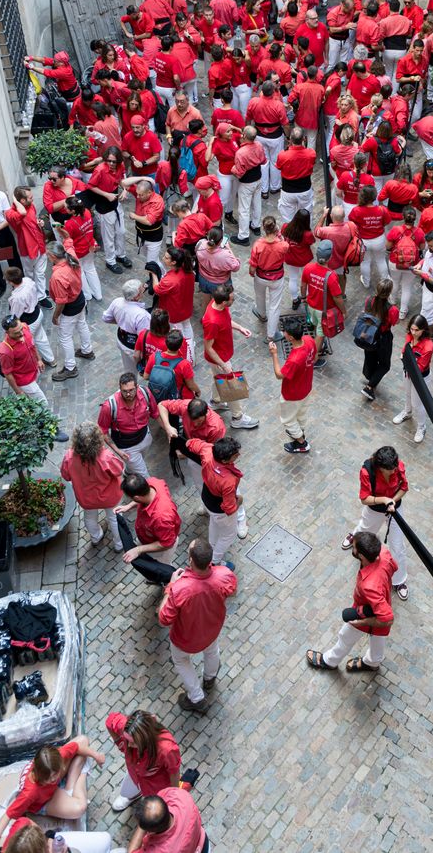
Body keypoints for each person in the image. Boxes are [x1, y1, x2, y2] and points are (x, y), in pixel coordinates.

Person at [158, 536, 237, 715]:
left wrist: (171, 586)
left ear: (191, 560)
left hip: (185, 639)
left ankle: (196, 698)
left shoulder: (180, 589)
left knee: (181, 661)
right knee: (212, 651)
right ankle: (209, 678)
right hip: (211, 630)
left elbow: (163, 619)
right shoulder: (224, 574)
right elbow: (232, 591)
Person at [0, 734, 105, 850]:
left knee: (83, 740)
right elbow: (7, 815)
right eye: (51, 778)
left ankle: (69, 787)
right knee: (79, 808)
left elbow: (78, 746)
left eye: (56, 773)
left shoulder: (53, 759)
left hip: (48, 785)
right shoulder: (30, 793)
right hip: (43, 802)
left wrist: (96, 756)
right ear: (41, 776)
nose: (55, 778)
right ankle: (80, 775)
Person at [306, 530, 397, 673]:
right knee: (378, 640)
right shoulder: (384, 553)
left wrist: (362, 622)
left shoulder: (369, 586)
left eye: (354, 547)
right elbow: (394, 567)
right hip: (382, 604)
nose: (352, 548)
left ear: (361, 555)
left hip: (367, 613)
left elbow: (387, 619)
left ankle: (329, 661)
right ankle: (372, 663)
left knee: (345, 636)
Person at [340, 446, 409, 599]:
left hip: (394, 509)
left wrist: (392, 501)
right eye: (390, 470)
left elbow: (404, 488)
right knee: (365, 530)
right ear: (380, 467)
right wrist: (384, 500)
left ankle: (399, 581)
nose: (394, 471)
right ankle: (355, 537)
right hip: (374, 508)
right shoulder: (367, 471)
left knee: (398, 545)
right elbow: (365, 498)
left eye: (394, 468)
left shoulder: (398, 466)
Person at [62, 421, 125, 551]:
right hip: (110, 496)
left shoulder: (69, 457)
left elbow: (66, 476)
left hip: (86, 498)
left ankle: (96, 537)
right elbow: (119, 470)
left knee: (89, 518)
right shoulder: (106, 457)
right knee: (114, 518)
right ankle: (119, 544)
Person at [202, 284, 258, 429]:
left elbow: (226, 321)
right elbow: (208, 347)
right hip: (219, 358)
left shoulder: (218, 305)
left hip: (223, 354)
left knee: (219, 379)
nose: (234, 300)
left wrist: (240, 328)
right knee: (231, 386)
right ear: (223, 302)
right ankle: (237, 417)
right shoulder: (212, 322)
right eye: (232, 299)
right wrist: (223, 364)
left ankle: (215, 402)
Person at [106, 710, 181, 813]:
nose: (129, 745)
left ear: (145, 738)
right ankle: (134, 795)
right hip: (135, 773)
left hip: (156, 784)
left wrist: (174, 797)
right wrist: (120, 744)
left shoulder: (166, 750)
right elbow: (110, 722)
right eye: (127, 741)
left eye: (133, 742)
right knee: (125, 792)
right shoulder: (128, 729)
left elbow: (174, 773)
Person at [267, 314, 316, 453]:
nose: (283, 333)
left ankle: (301, 442)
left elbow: (279, 375)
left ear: (290, 337)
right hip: (306, 387)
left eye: (285, 332)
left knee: (287, 420)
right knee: (301, 413)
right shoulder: (309, 340)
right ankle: (300, 431)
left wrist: (274, 354)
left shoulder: (294, 359)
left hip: (292, 394)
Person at [47, 243, 93, 381]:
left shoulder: (57, 276)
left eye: (48, 254)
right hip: (80, 299)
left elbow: (61, 301)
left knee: (65, 337)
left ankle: (70, 368)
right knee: (82, 324)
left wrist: (55, 316)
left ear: (53, 256)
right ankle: (87, 351)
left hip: (70, 308)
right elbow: (68, 240)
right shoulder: (71, 256)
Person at [98, 372, 160, 476]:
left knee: (136, 463)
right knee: (145, 477)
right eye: (124, 391)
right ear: (120, 389)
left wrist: (168, 429)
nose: (128, 394)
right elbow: (102, 431)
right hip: (127, 447)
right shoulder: (109, 406)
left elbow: (155, 413)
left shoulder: (145, 393)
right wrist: (117, 451)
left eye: (131, 390)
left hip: (145, 437)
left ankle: (128, 471)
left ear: (137, 387)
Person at [200, 435, 248, 564]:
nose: (238, 455)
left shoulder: (208, 452)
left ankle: (211, 547)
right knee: (228, 535)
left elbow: (193, 444)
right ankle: (214, 560)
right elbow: (229, 508)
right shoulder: (228, 481)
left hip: (207, 497)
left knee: (214, 523)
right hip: (219, 509)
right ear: (225, 460)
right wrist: (239, 501)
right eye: (235, 455)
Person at [117, 472, 181, 565]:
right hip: (151, 538)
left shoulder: (161, 518)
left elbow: (166, 543)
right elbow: (142, 497)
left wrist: (138, 550)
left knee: (159, 570)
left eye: (132, 498)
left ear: (137, 498)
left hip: (160, 552)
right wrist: (129, 506)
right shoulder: (153, 482)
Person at [300, 240, 345, 364]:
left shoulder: (308, 268)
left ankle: (317, 342)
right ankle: (313, 358)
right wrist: (343, 311)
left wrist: (303, 297)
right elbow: (337, 298)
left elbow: (303, 286)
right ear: (330, 257)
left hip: (311, 305)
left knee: (316, 325)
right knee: (321, 333)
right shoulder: (331, 276)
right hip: (324, 310)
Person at [394, 313, 433, 444]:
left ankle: (422, 426)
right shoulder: (410, 336)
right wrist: (405, 355)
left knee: (418, 404)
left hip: (420, 378)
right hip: (407, 372)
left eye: (417, 330)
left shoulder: (428, 346)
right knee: (407, 395)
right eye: (412, 329)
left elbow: (420, 368)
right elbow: (404, 350)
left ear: (423, 330)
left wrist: (407, 357)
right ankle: (407, 412)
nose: (413, 332)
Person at [6, 186, 50, 301]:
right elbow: (22, 213)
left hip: (40, 244)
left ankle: (41, 294)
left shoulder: (31, 206)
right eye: (30, 197)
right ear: (22, 200)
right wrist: (14, 200)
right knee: (29, 274)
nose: (33, 199)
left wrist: (39, 222)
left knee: (40, 273)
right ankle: (33, 294)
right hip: (28, 248)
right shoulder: (10, 213)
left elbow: (32, 220)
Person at [130, 788, 208, 853]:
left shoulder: (159, 850)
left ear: (149, 830)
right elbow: (162, 795)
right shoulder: (178, 795)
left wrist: (142, 823)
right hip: (202, 841)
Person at [0, 313, 50, 406]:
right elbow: (7, 374)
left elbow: (32, 345)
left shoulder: (24, 326)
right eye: (16, 333)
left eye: (21, 329)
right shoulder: (5, 351)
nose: (21, 333)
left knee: (32, 401)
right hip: (25, 381)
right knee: (44, 404)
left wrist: (39, 359)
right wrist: (19, 392)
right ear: (7, 333)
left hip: (34, 370)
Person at [249, 215, 288, 341]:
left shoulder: (258, 245)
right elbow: (286, 248)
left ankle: (261, 314)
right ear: (275, 227)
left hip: (260, 276)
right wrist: (279, 235)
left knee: (260, 296)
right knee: (274, 306)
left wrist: (252, 273)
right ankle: (271, 335)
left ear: (264, 228)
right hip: (276, 278)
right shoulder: (283, 245)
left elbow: (252, 267)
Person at [102, 279, 151, 373]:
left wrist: (120, 322)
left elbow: (106, 318)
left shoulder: (117, 302)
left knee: (129, 370)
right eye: (142, 290)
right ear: (137, 296)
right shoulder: (142, 315)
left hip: (121, 340)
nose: (144, 290)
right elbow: (144, 338)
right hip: (133, 348)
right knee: (141, 369)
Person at [385, 204, 425, 319]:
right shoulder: (419, 232)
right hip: (412, 264)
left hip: (395, 262)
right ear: (415, 218)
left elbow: (388, 246)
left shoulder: (395, 230)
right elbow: (422, 248)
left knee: (395, 281)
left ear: (403, 217)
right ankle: (402, 312)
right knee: (407, 287)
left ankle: (392, 300)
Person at [61, 195, 102, 302]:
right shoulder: (87, 212)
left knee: (81, 272)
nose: (64, 208)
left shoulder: (69, 224)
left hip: (78, 252)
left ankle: (87, 295)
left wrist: (60, 230)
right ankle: (98, 294)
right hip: (90, 247)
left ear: (72, 211)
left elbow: (67, 239)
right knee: (91, 269)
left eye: (66, 207)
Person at [150, 246, 196, 342]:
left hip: (174, 311)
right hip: (186, 307)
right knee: (187, 325)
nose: (163, 258)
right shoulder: (188, 270)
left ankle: (180, 346)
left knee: (175, 330)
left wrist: (153, 274)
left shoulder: (170, 280)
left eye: (166, 258)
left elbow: (157, 289)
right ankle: (190, 343)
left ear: (174, 262)